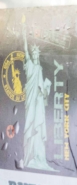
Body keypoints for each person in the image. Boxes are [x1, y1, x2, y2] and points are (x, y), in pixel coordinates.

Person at [21, 20, 54, 172]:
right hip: (30, 102)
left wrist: (46, 88)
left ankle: (39, 157)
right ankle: (30, 157)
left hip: (38, 103)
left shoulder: (39, 68)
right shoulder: (30, 66)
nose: (34, 55)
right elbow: (25, 50)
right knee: (30, 127)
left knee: (38, 128)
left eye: (36, 54)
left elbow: (43, 92)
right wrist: (24, 33)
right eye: (33, 53)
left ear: (38, 55)